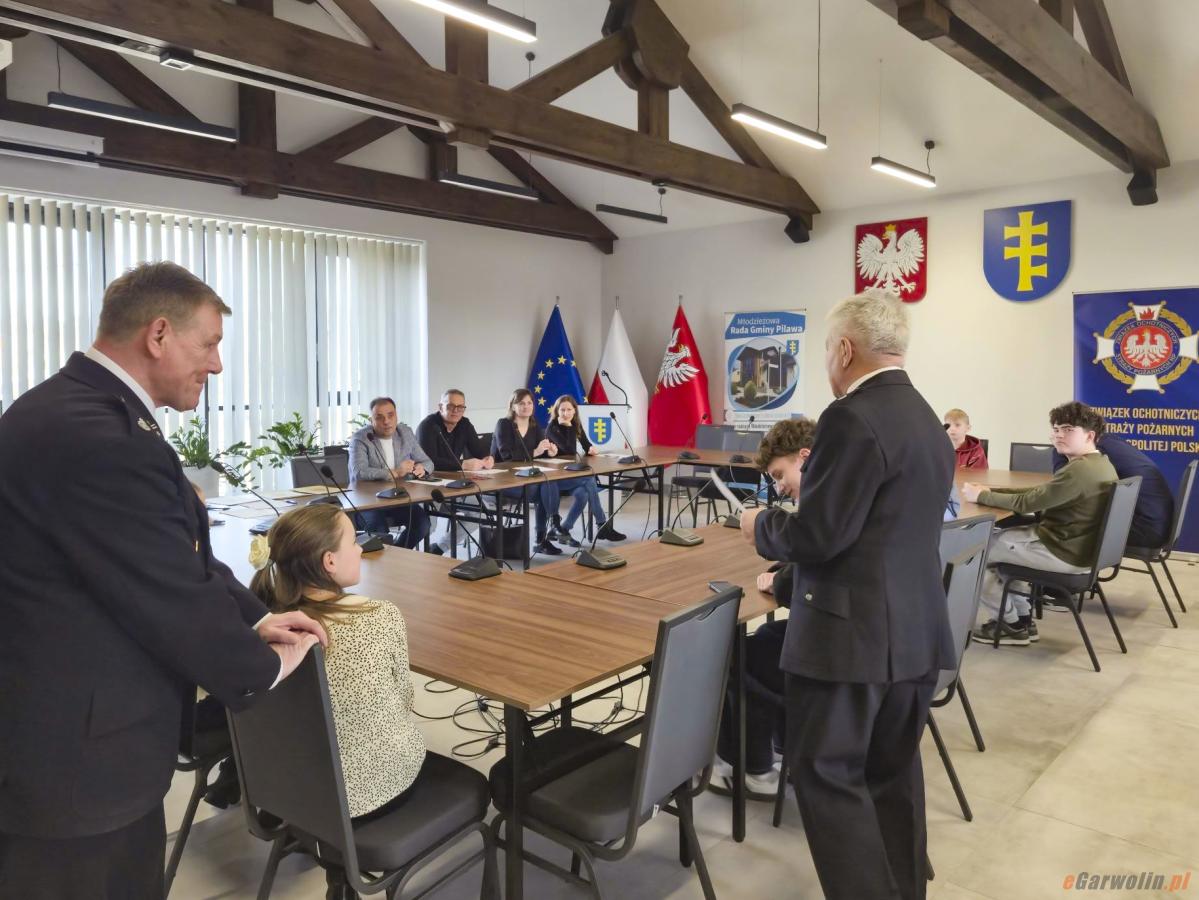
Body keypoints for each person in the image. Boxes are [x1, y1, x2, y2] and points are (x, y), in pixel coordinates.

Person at [0, 261, 325, 900]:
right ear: (158, 335)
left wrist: (257, 617)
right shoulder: (105, 436)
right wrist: (267, 664)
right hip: (80, 770)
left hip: (55, 742)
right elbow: (168, 592)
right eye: (210, 344)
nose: (217, 365)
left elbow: (173, 554)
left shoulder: (71, 409)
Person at [739, 290, 955, 900]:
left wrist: (760, 525)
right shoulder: (928, 419)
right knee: (891, 775)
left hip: (851, 641)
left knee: (826, 775)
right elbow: (880, 534)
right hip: (915, 632)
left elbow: (819, 534)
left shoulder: (849, 417)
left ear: (842, 349)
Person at [249, 504, 426, 900]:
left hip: (284, 791)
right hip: (365, 799)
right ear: (329, 561)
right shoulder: (378, 617)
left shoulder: (261, 626)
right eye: (353, 541)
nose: (361, 548)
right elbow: (404, 701)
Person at [713, 417, 815, 796]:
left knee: (736, 655)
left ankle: (753, 768)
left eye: (779, 474)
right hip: (875, 645)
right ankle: (781, 746)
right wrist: (784, 572)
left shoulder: (827, 501)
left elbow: (823, 567)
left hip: (837, 654)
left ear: (804, 457)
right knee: (770, 632)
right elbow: (818, 554)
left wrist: (783, 581)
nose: (779, 487)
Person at [963, 402, 1118, 646]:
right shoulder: (1099, 464)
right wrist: (990, 492)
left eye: (1068, 429)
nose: (1058, 435)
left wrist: (982, 496)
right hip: (1074, 548)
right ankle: (1022, 620)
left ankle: (1010, 624)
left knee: (970, 555)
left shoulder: (1079, 471)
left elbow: (1027, 503)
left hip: (1063, 552)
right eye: (1056, 429)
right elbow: (1041, 493)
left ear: (1090, 435)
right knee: (998, 543)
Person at [1052, 431, 1173, 550]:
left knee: (1061, 527)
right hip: (1157, 525)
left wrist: (1058, 450)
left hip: (1144, 530)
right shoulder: (1109, 441)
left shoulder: (1096, 451)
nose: (1057, 435)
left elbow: (1064, 490)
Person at [348, 396, 434, 550]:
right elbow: (359, 472)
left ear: (396, 416)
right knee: (379, 532)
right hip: (367, 501)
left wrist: (422, 468)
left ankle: (397, 554)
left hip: (397, 498)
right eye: (379, 417)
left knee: (422, 523)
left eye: (390, 415)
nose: (386, 421)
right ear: (371, 420)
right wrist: (394, 472)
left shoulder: (405, 432)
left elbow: (428, 462)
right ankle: (387, 558)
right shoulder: (361, 437)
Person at [415, 389, 495, 555]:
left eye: (460, 407)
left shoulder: (464, 424)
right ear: (440, 407)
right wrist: (462, 464)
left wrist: (488, 458)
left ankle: (438, 548)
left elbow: (479, 450)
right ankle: (404, 555)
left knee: (480, 512)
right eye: (451, 406)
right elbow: (430, 461)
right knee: (428, 526)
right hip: (429, 486)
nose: (456, 411)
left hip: (454, 485)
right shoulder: (427, 426)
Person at [544, 395, 626, 544]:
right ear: (557, 411)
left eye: (569, 410)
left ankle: (564, 529)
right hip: (556, 479)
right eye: (562, 410)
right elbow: (568, 449)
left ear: (574, 411)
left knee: (583, 494)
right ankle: (602, 525)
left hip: (572, 475)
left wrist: (591, 449)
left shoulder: (575, 424)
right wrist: (568, 427)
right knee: (589, 479)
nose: (566, 413)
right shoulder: (552, 427)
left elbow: (586, 444)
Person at [491, 388, 563, 556]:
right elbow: (507, 456)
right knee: (546, 488)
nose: (526, 406)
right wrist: (535, 452)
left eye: (529, 403)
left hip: (528, 478)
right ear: (513, 406)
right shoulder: (504, 424)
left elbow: (540, 451)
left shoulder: (534, 424)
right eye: (521, 403)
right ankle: (546, 533)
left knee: (547, 484)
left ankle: (548, 531)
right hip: (505, 481)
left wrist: (550, 452)